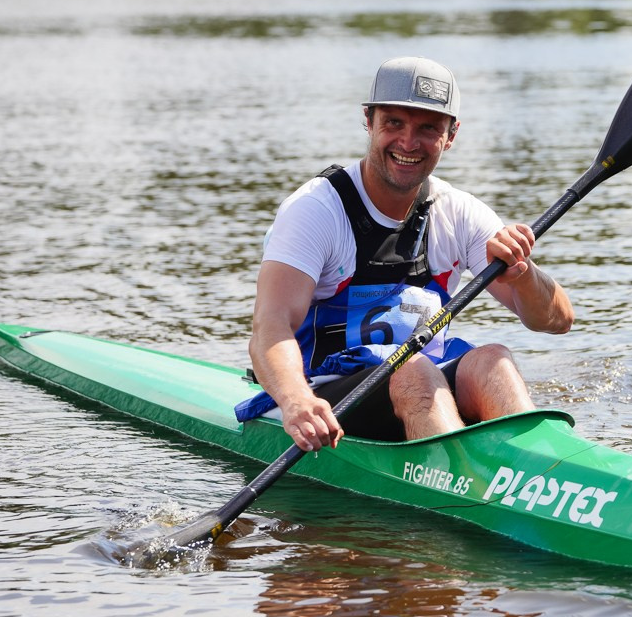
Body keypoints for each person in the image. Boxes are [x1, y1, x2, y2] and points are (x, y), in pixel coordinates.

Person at [240, 57, 574, 452]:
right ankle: (457, 477)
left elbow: (557, 320)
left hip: (422, 383)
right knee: (412, 370)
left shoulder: (459, 212)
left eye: (428, 128)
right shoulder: (315, 210)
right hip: (326, 397)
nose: (409, 142)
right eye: (394, 123)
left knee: (493, 361)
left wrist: (523, 274)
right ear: (369, 121)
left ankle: (544, 467)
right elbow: (270, 326)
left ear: (451, 135)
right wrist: (296, 400)